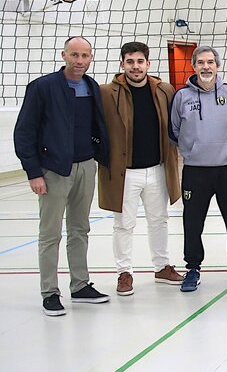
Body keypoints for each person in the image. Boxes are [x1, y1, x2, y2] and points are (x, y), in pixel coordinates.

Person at [15, 36, 110, 315]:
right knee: (50, 234)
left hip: (86, 166)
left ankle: (80, 285)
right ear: (63, 55)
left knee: (80, 229)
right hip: (54, 170)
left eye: (85, 56)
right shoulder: (42, 87)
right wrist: (34, 172)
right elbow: (24, 132)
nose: (80, 61)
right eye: (74, 55)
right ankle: (49, 292)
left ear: (91, 58)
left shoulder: (92, 86)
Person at [98, 42, 183, 296]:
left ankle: (162, 266)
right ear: (122, 64)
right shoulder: (106, 92)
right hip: (125, 172)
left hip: (157, 169)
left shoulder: (164, 90)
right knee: (124, 224)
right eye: (130, 62)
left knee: (159, 221)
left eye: (140, 61)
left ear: (148, 64)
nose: (135, 67)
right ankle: (124, 272)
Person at [169, 46, 227, 292]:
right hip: (195, 171)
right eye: (201, 63)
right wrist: (193, 149)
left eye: (210, 62)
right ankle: (193, 268)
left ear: (217, 66)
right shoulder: (182, 97)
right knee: (192, 221)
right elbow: (174, 130)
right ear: (194, 66)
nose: (206, 67)